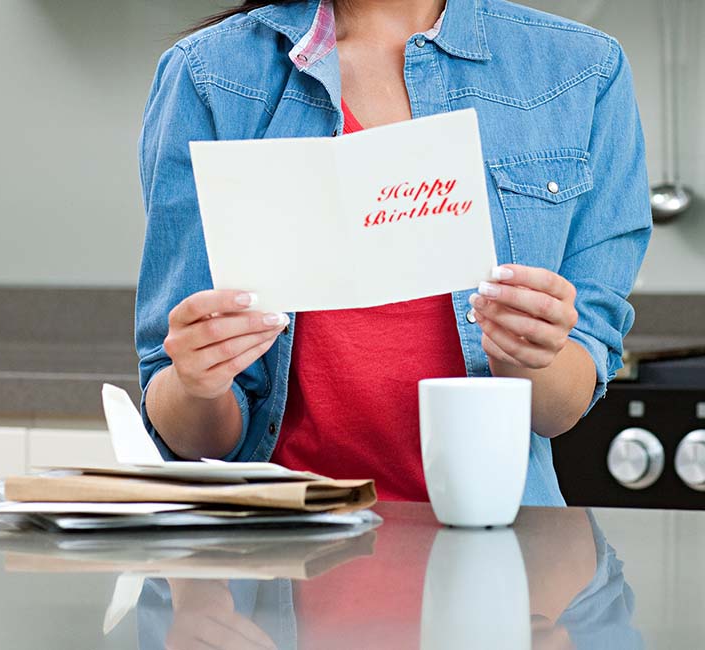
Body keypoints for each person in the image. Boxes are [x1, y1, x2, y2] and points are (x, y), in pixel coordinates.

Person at [135, 0, 652, 505]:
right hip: (276, 552)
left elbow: (559, 410)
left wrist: (531, 353)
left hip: (493, 547)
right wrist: (198, 382)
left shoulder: (583, 71)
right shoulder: (208, 74)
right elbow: (187, 429)